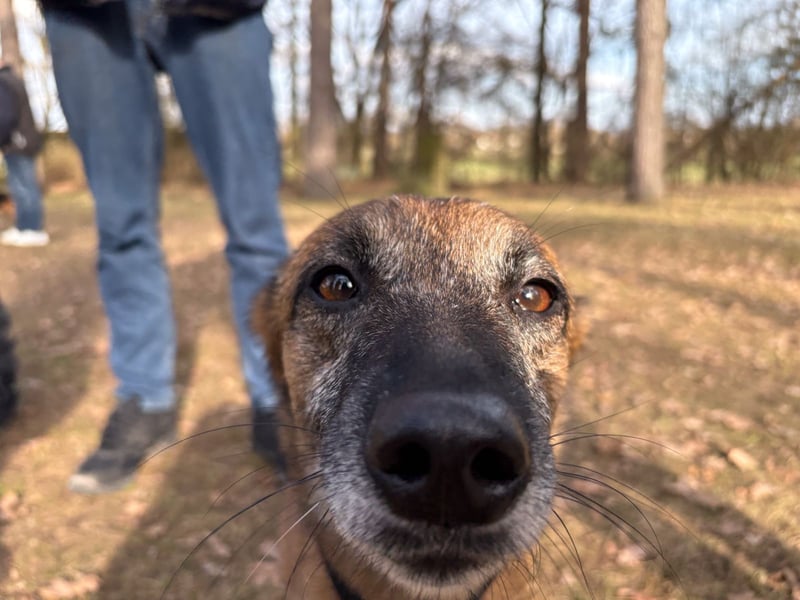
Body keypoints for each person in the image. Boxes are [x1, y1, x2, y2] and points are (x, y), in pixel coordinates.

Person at [40, 0, 289, 493]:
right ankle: (145, 400)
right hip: (86, 16)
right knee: (121, 226)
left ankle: (276, 398)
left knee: (256, 226)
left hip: (219, 14)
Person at [0, 63, 48, 247]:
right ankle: (24, 227)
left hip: (19, 142)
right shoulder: (12, 80)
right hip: (21, 141)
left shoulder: (4, 82)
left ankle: (33, 229)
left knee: (25, 187)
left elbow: (5, 117)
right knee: (20, 187)